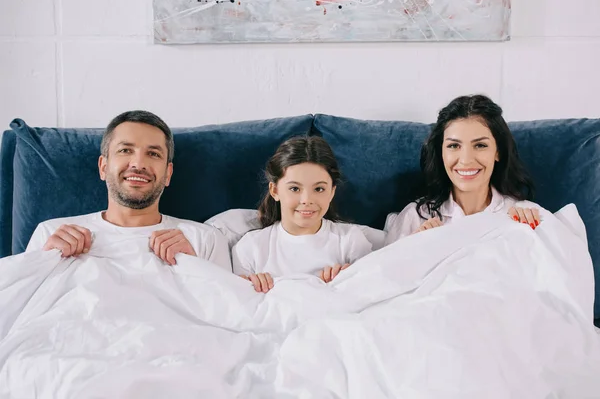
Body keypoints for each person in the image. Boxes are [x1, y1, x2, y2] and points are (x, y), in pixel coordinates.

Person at [26, 110, 231, 271]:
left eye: (153, 153)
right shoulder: (52, 234)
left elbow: (228, 318)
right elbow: (18, 312)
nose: (138, 163)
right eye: (125, 150)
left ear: (168, 173)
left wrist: (194, 268)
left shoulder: (205, 239)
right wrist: (45, 263)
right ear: (103, 167)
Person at [385, 95, 548, 245]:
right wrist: (414, 250)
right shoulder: (415, 217)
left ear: (498, 152)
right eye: (454, 146)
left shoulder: (524, 214)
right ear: (441, 152)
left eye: (480, 145)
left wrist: (532, 236)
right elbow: (379, 273)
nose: (466, 160)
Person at [232, 136, 372, 292]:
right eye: (294, 189)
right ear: (275, 190)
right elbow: (241, 307)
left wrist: (349, 281)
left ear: (332, 192)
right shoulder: (250, 247)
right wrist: (252, 286)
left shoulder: (350, 241)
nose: (306, 200)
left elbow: (369, 297)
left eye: (319, 189)